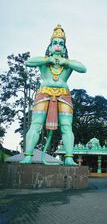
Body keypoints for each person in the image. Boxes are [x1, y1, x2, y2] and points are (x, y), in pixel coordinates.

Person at [20, 25, 86, 165]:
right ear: (49, 48)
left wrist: (66, 61)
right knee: (36, 124)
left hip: (63, 94)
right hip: (44, 92)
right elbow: (28, 62)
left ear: (64, 49)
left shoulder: (67, 65)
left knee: (67, 126)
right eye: (54, 43)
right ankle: (28, 155)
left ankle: (69, 158)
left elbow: (83, 68)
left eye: (61, 44)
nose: (57, 46)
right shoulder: (44, 63)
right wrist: (47, 60)